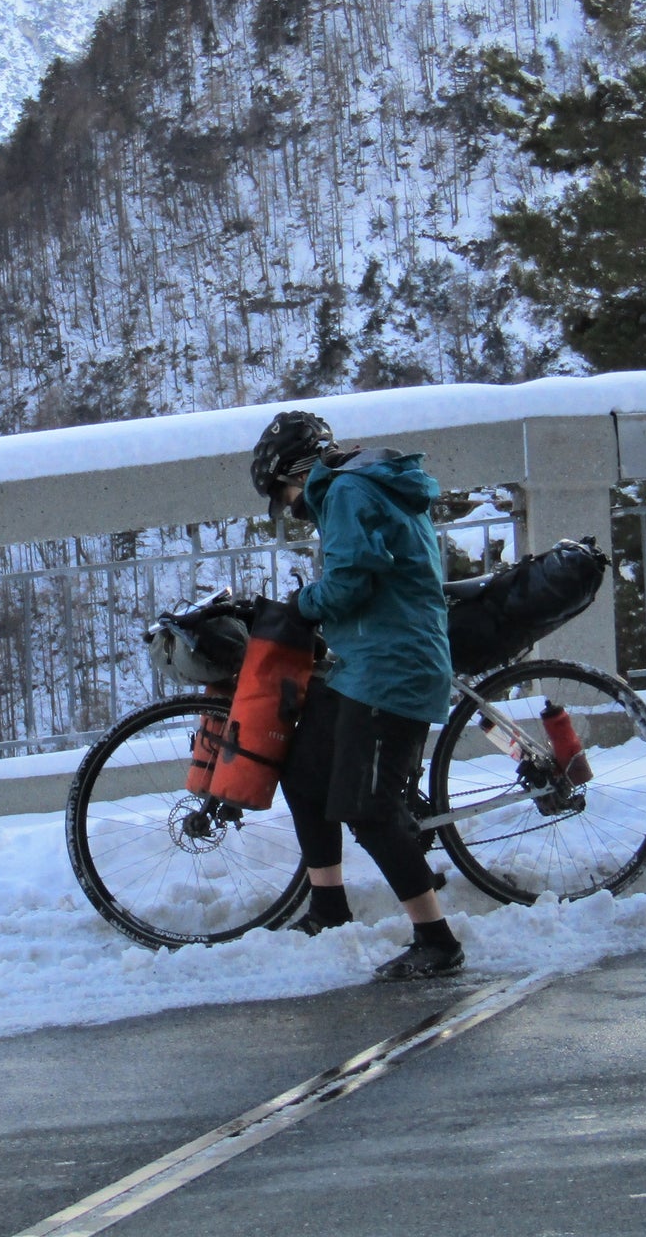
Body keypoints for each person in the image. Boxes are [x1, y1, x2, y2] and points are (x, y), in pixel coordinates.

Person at [250, 408, 463, 982]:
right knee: (304, 772)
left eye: (283, 491)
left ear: (297, 472)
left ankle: (437, 941)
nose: (290, 506)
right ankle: (328, 907)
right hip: (361, 664)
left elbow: (350, 583)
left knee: (368, 809)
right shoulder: (356, 486)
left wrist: (299, 608)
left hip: (391, 671)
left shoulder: (344, 491)